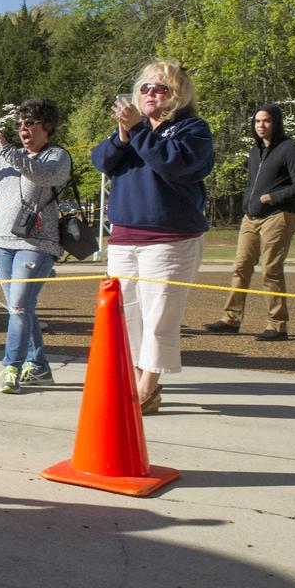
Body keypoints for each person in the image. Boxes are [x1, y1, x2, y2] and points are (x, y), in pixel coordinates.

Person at [92, 59, 214, 414]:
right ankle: (132, 381)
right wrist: (123, 135)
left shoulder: (192, 129)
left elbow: (177, 165)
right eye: (144, 87)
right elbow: (101, 160)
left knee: (159, 316)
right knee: (126, 315)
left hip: (170, 238)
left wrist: (141, 134)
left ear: (176, 94)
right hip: (124, 237)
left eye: (159, 88)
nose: (149, 94)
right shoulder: (134, 130)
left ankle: (146, 390)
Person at [0, 100, 71, 393]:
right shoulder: (11, 157)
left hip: (37, 243)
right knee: (19, 310)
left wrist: (7, 150)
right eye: (20, 124)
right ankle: (38, 368)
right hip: (2, 243)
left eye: (30, 124)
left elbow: (41, 175)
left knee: (20, 306)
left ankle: (11, 366)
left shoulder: (57, 156)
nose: (23, 129)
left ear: (46, 126)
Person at [205, 104, 295, 341]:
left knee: (270, 270)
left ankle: (277, 325)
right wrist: (247, 205)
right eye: (257, 122)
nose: (261, 126)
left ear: (276, 123)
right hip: (251, 218)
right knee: (240, 267)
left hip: (279, 216)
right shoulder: (255, 151)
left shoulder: (289, 148)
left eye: (267, 121)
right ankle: (231, 319)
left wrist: (272, 197)